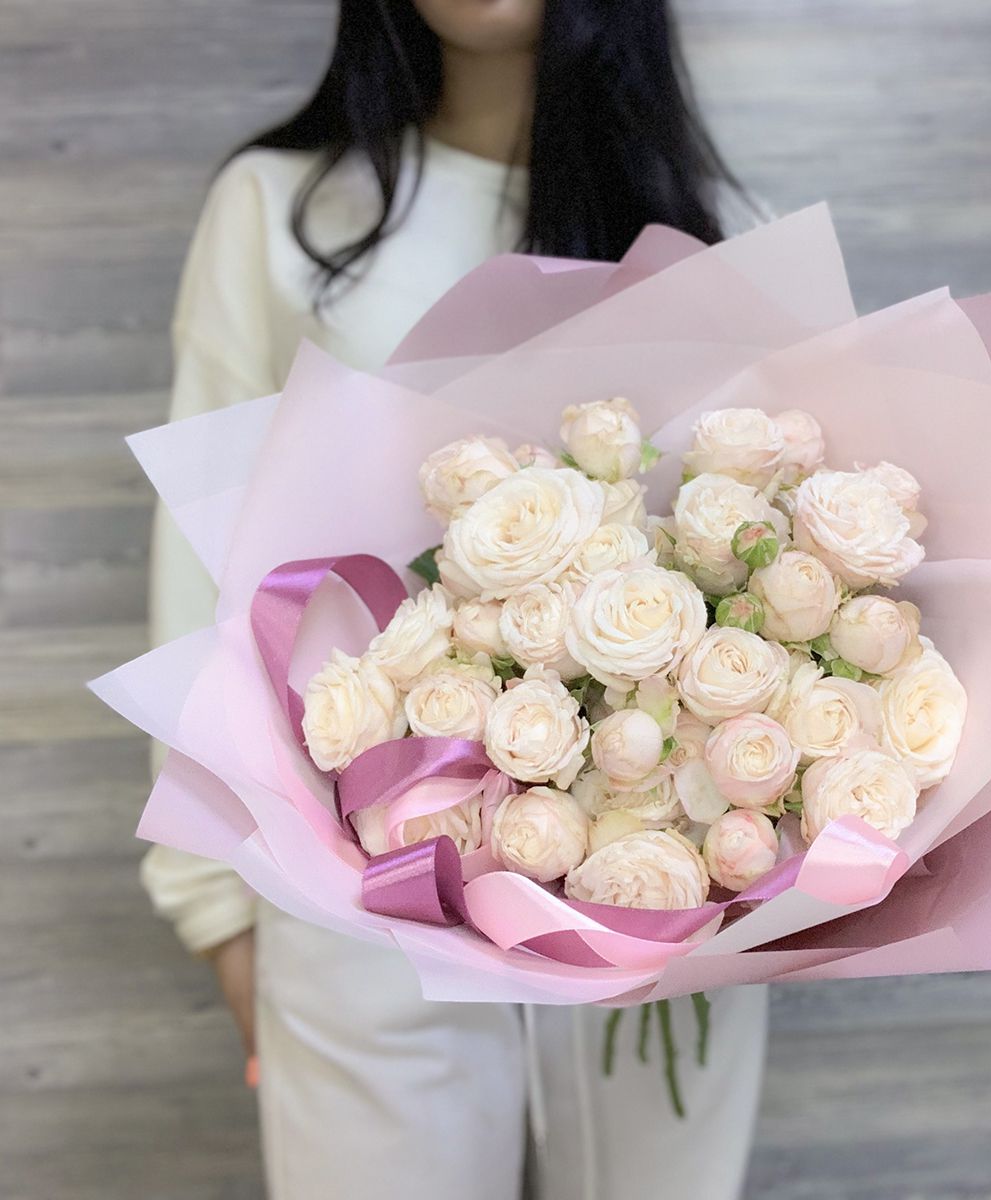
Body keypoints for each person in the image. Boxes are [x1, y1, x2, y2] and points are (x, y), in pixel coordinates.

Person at [141, 2, 770, 1197]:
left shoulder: (722, 233)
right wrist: (211, 901)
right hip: (363, 895)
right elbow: (200, 558)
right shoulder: (287, 210)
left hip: (658, 893)